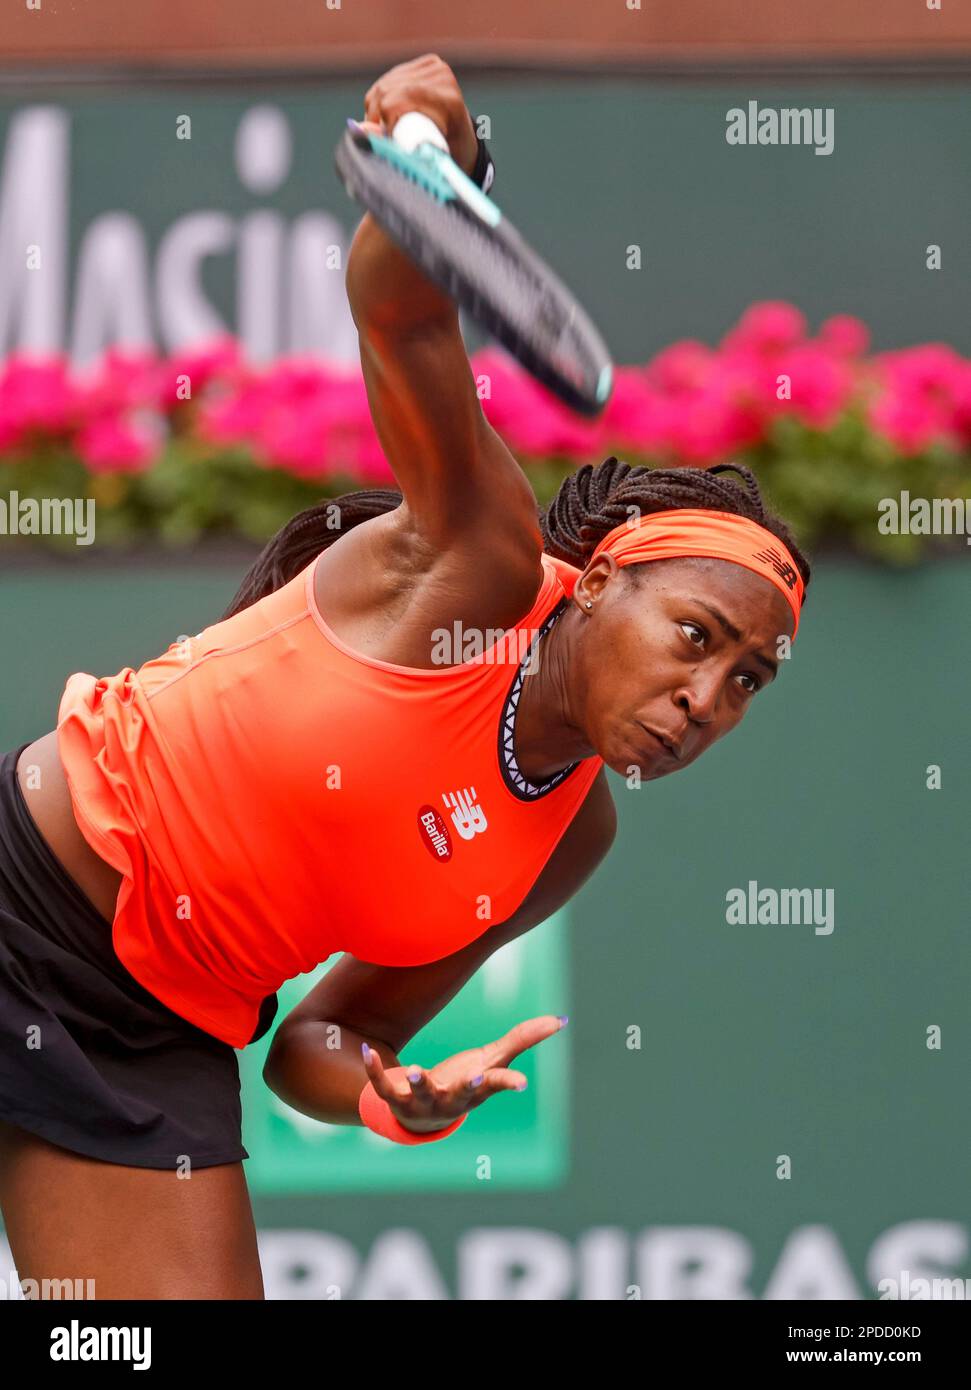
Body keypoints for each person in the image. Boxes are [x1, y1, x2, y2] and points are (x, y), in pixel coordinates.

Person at [0, 55, 810, 1299]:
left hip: (152, 1028)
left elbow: (327, 1041)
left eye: (749, 681)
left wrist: (391, 1096)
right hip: (24, 889)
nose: (709, 699)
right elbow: (401, 314)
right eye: (696, 637)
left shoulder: (567, 837)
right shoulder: (482, 565)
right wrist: (435, 180)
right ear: (594, 583)